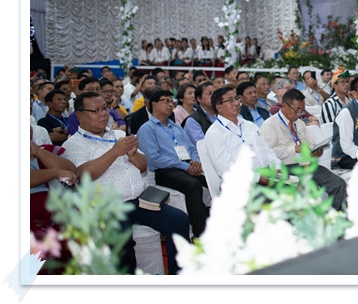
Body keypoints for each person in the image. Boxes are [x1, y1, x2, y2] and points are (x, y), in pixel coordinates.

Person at [61, 91, 190, 275]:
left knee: (179, 220)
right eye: (95, 111)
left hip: (139, 201)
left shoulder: (118, 134)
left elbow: (143, 167)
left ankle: (178, 274)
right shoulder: (73, 144)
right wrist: (115, 152)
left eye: (104, 108)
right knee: (122, 241)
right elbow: (83, 175)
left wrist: (133, 154)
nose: (103, 114)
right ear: (80, 115)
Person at [136, 89, 208, 237]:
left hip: (188, 165)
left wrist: (196, 161)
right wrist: (185, 166)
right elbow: (154, 158)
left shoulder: (176, 127)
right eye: (166, 101)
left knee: (214, 180)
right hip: (165, 171)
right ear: (154, 104)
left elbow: (191, 148)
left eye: (171, 101)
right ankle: (199, 234)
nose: (170, 105)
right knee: (193, 185)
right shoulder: (146, 129)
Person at [261, 89, 347, 211]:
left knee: (338, 184)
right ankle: (315, 220)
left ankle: (335, 218)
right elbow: (268, 153)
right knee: (306, 191)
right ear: (285, 106)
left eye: (302, 110)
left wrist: (316, 152)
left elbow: (311, 145)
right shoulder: (270, 125)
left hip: (307, 165)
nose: (300, 114)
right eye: (297, 110)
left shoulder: (300, 123)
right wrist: (294, 149)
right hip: (286, 168)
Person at [202, 86, 282, 185]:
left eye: (236, 99)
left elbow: (268, 150)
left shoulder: (250, 126)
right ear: (219, 107)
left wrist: (277, 167)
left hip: (267, 176)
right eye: (230, 100)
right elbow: (226, 169)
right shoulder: (214, 133)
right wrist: (258, 178)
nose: (236, 103)